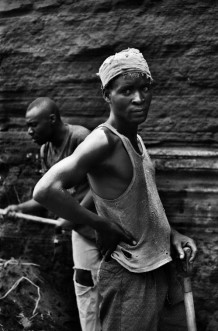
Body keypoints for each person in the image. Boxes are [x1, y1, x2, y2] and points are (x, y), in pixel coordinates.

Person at [33, 49, 197, 331]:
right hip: (128, 275)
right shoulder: (103, 141)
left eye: (145, 88)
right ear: (107, 95)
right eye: (127, 90)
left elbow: (144, 204)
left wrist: (172, 235)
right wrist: (101, 224)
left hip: (155, 266)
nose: (139, 98)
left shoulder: (136, 139)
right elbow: (45, 190)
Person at [4, 97, 103, 331]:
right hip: (81, 232)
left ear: (52, 119)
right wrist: (19, 209)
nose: (29, 131)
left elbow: (100, 186)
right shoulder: (45, 151)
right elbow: (46, 195)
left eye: (33, 125)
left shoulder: (81, 138)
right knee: (86, 287)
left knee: (115, 288)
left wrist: (72, 216)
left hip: (105, 225)